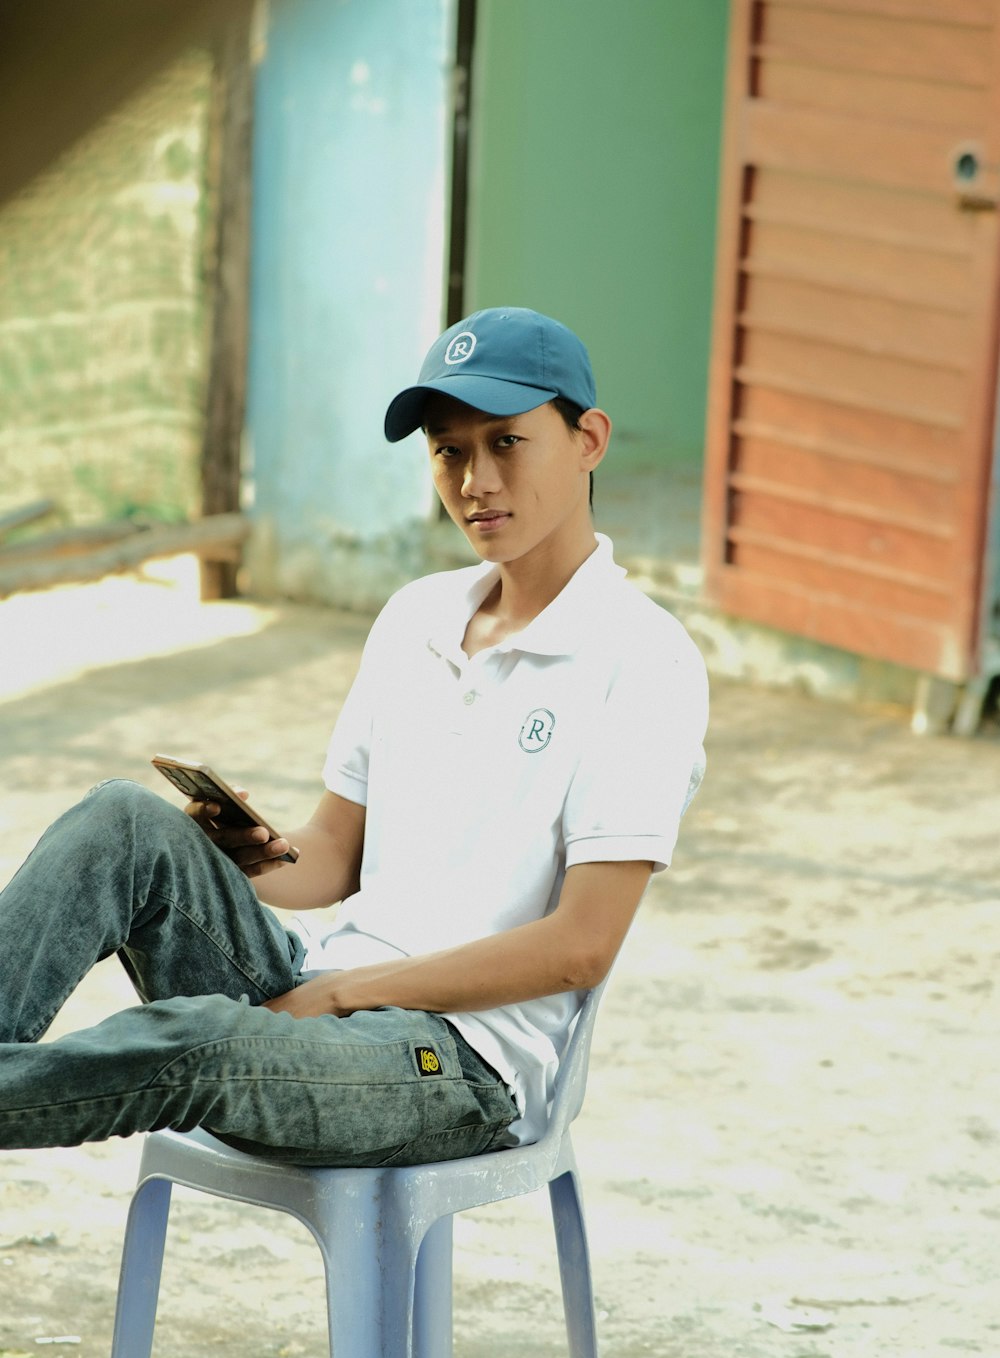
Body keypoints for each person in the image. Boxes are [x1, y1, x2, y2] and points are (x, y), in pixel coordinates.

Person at [0, 306, 708, 1165]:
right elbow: (335, 855)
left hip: (455, 1063)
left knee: (201, 1039)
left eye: (506, 443)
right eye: (449, 450)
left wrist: (343, 996)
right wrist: (255, 856)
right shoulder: (418, 618)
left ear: (589, 438)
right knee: (121, 820)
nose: (476, 480)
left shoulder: (642, 658)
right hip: (317, 994)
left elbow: (580, 948)